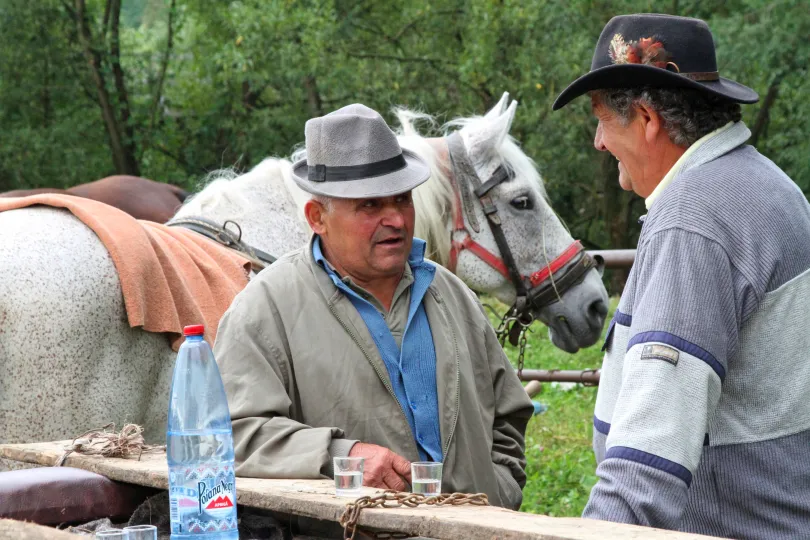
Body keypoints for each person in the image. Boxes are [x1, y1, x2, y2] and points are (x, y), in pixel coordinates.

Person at [553, 13, 810, 538]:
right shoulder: (769, 185)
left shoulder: (694, 218)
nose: (599, 143)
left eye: (602, 121)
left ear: (647, 118)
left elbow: (649, 456)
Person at [213, 103, 534, 510]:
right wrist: (340, 456)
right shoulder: (265, 309)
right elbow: (234, 435)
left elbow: (509, 416)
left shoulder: (451, 294)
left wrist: (499, 490)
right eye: (370, 205)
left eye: (402, 199)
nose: (396, 220)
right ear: (317, 217)